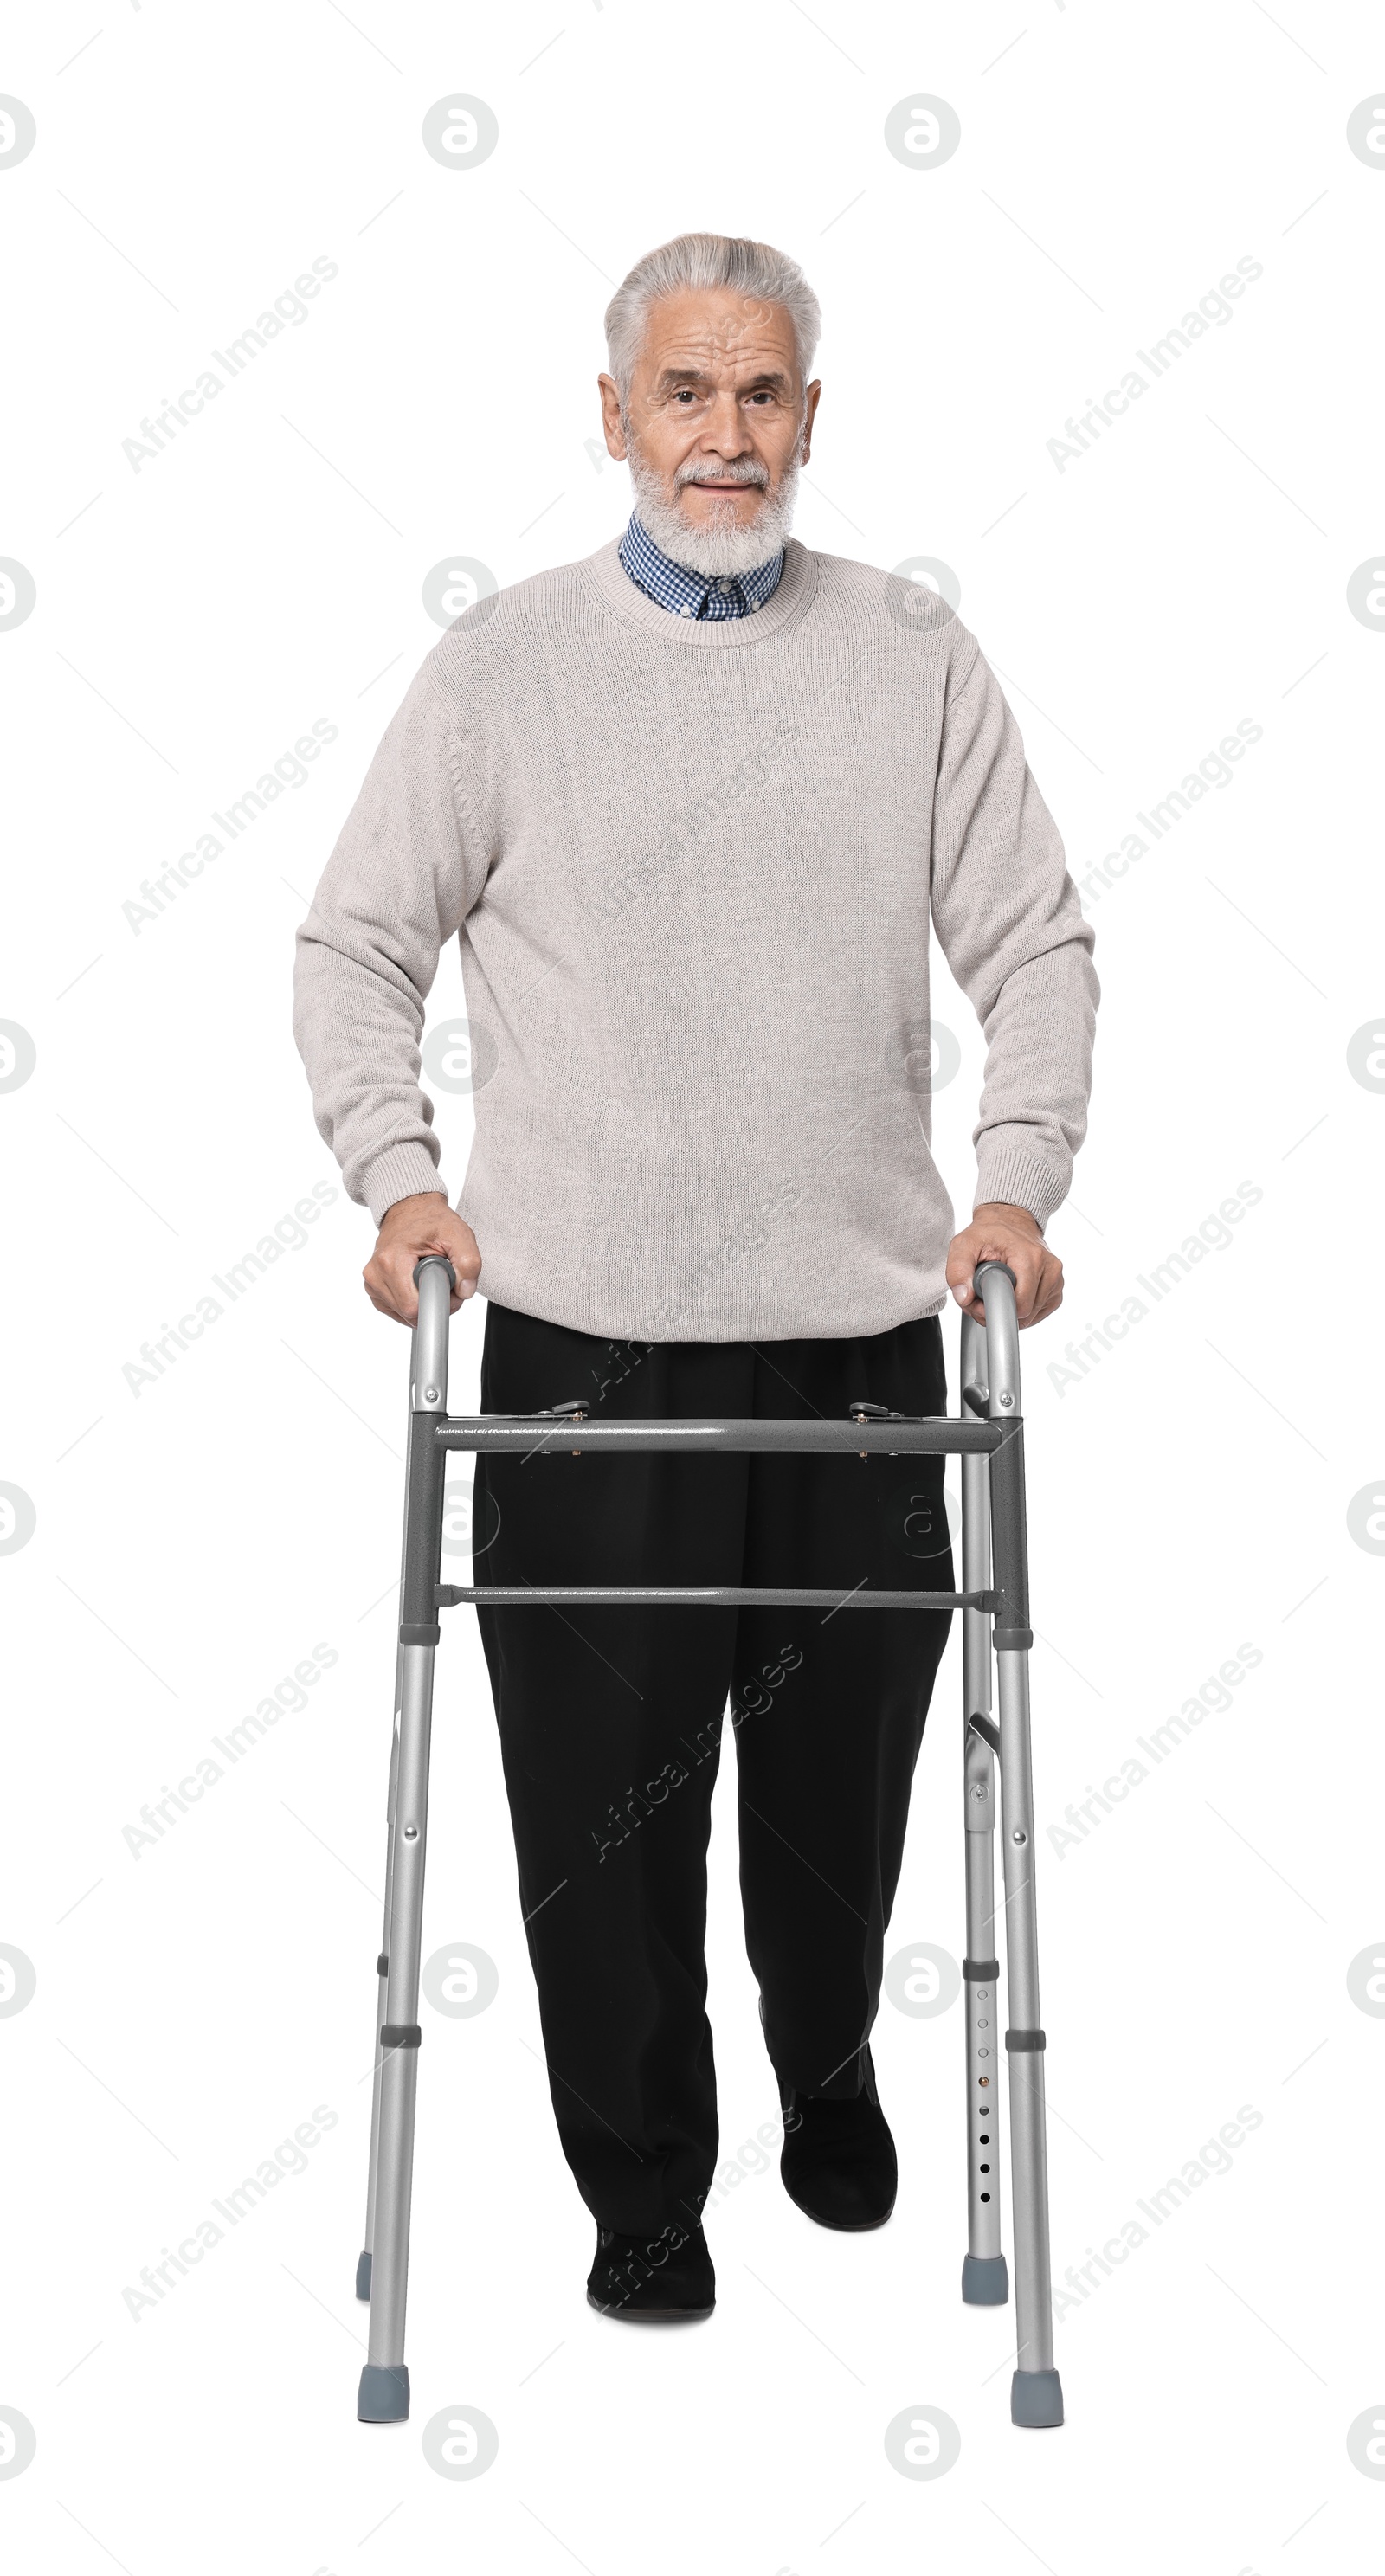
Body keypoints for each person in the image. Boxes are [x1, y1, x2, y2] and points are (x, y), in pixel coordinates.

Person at [293, 230, 1098, 2327]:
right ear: (614, 417)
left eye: (760, 400)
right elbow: (353, 946)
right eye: (684, 394)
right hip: (574, 1342)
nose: (720, 438)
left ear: (809, 423)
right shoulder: (500, 671)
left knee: (832, 1803)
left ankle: (824, 2068)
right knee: (598, 1823)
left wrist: (1011, 1192)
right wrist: (399, 1190)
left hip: (857, 1349)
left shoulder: (912, 652)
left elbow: (1038, 946)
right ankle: (643, 2184)